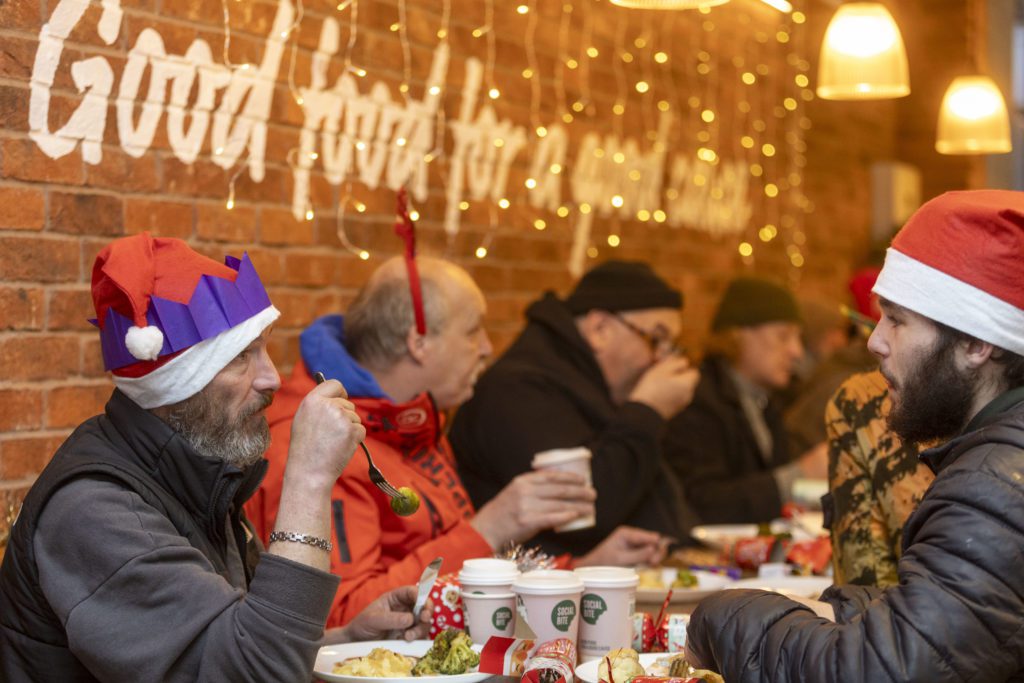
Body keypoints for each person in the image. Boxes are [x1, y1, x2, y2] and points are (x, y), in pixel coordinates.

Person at [0, 234, 428, 682]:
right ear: (175, 382)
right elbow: (251, 675)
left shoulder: (196, 473)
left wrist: (344, 640)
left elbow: (232, 639)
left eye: (263, 349)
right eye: (241, 356)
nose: (271, 379)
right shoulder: (94, 512)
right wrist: (310, 477)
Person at [686, 190, 1024, 681]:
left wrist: (721, 616)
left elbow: (876, 673)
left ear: (975, 342)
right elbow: (961, 620)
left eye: (898, 320)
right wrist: (841, 611)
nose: (874, 340)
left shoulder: (993, 484)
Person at [248, 256, 656, 626]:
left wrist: (579, 567)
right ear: (419, 343)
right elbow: (340, 618)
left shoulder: (416, 420)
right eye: (473, 331)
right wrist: (494, 525)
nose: (487, 349)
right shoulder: (317, 445)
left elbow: (456, 574)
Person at [450, 260, 701, 557]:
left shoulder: (593, 384)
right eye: (655, 339)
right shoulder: (518, 389)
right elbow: (585, 510)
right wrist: (648, 410)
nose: (661, 360)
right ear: (600, 328)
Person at [664, 277, 828, 524]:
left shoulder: (767, 401)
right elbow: (704, 502)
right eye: (783, 336)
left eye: (798, 338)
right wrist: (800, 474)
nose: (796, 352)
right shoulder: (697, 399)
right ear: (738, 334)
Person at [825, 370, 935, 586]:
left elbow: (864, 595)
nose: (874, 343)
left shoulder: (864, 400)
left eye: (899, 332)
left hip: (916, 611)